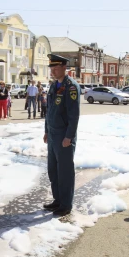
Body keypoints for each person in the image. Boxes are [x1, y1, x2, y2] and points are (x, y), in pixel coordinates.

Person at [42, 54, 80, 217]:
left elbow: (73, 115)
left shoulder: (71, 86)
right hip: (52, 135)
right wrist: (46, 131)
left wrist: (69, 136)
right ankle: (58, 200)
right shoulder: (53, 86)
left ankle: (66, 204)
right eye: (51, 68)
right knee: (53, 170)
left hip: (64, 137)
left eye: (56, 68)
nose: (53, 70)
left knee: (64, 172)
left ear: (65, 67)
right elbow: (49, 111)